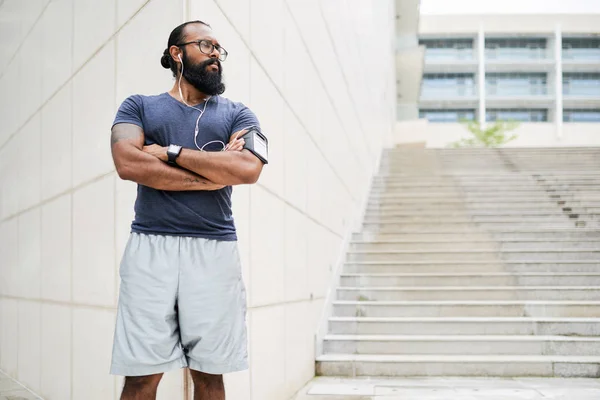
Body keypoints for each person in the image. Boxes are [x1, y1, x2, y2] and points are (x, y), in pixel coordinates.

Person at [109, 20, 267, 400]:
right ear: (177, 53)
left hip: (214, 250)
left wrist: (170, 152)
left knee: (210, 376)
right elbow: (128, 164)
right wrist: (212, 174)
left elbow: (247, 169)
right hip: (150, 245)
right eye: (205, 44)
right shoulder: (139, 106)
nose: (216, 53)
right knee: (141, 376)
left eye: (219, 48)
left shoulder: (238, 114)